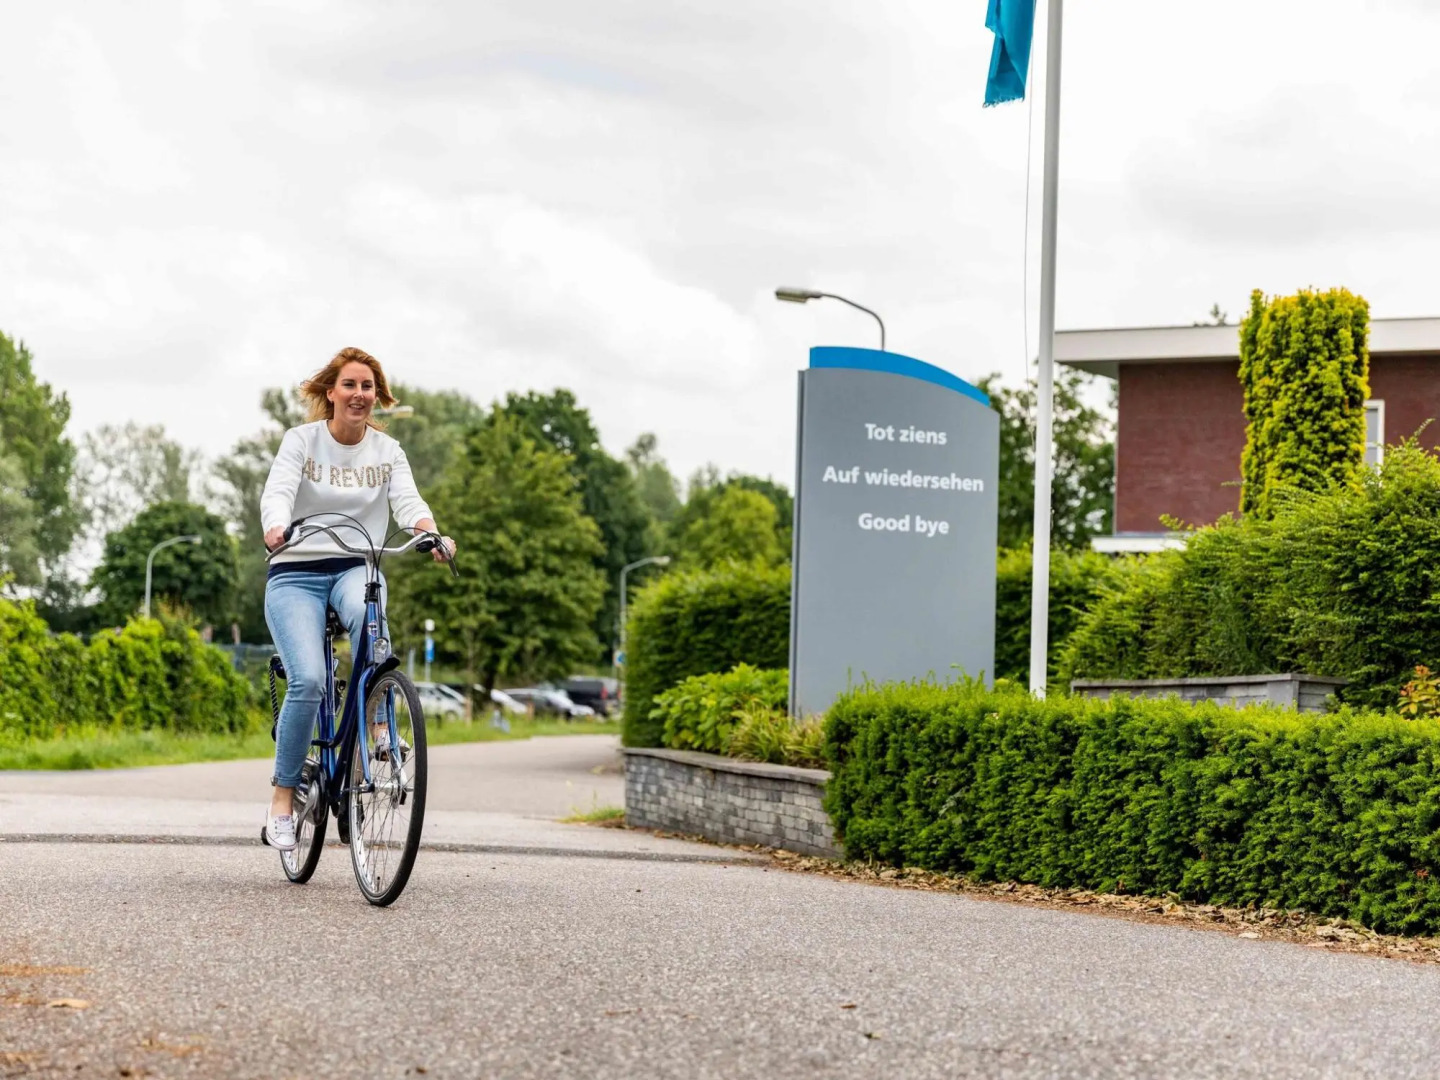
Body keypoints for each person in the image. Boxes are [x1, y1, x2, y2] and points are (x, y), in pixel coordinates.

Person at [258, 346, 454, 851]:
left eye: (368, 387)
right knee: (310, 679)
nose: (359, 395)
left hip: (355, 566)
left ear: (376, 396)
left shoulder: (388, 452)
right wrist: (275, 527)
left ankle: (377, 722)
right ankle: (284, 796)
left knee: (373, 634)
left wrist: (429, 532)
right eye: (350, 385)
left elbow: (408, 502)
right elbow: (278, 490)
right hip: (296, 571)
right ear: (331, 392)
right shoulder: (301, 441)